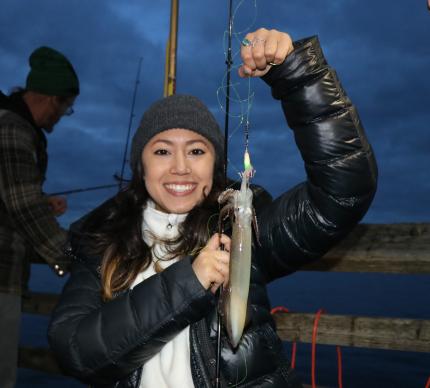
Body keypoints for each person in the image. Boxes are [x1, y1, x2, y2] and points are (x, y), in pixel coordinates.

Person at [48, 28, 377, 388]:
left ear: (215, 165)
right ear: (140, 167)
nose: (180, 167)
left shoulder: (243, 226)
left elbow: (344, 192)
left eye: (196, 150)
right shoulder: (100, 242)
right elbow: (73, 349)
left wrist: (298, 75)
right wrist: (191, 280)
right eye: (161, 151)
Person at [0, 46, 79, 387]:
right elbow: (23, 206)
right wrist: (73, 255)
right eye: (66, 107)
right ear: (52, 100)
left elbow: (13, 199)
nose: (62, 117)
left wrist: (42, 204)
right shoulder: (14, 128)